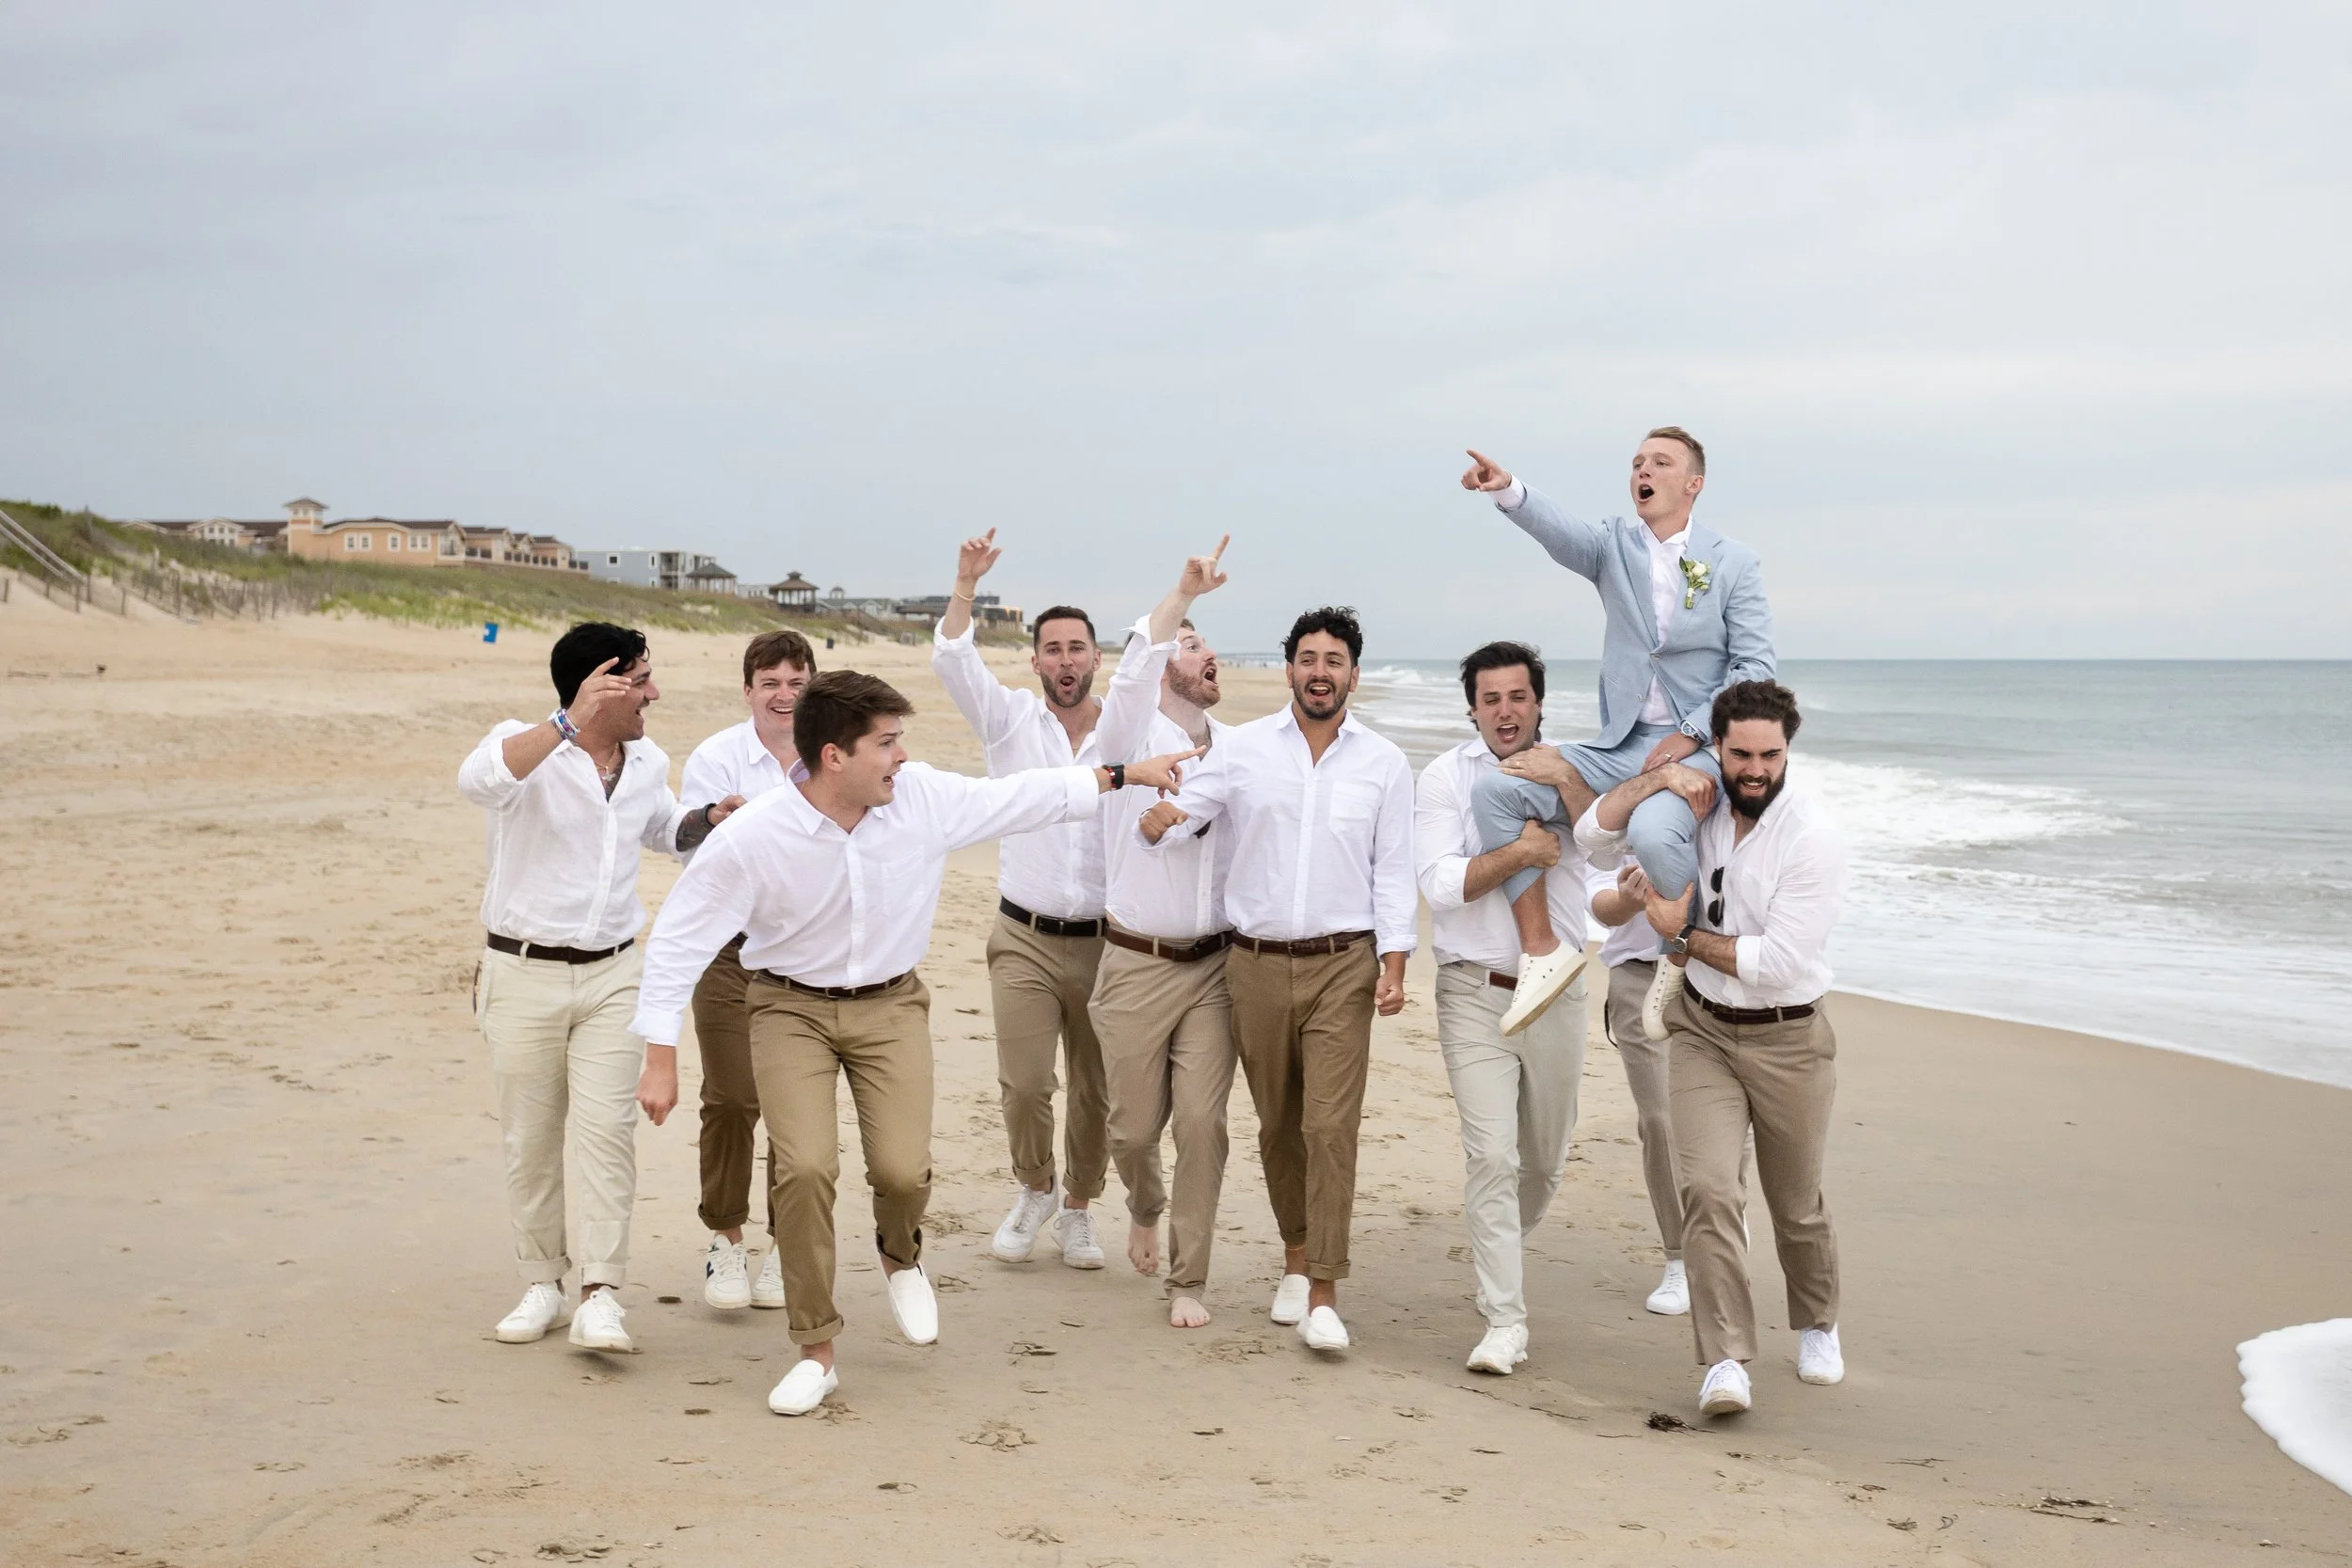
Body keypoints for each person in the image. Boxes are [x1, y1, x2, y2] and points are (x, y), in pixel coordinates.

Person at [629, 671, 1200, 1417]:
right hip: (788, 1008)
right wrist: (660, 1051)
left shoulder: (922, 798)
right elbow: (679, 936)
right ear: (834, 756)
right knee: (803, 1169)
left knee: (900, 1172)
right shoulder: (756, 834)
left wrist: (1123, 773)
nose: (902, 756)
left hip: (890, 1006)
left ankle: (902, 1256)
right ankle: (816, 1347)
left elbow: (1025, 796)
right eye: (887, 743)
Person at [456, 623, 744, 1354]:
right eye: (642, 679)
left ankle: (601, 1293)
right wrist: (566, 720)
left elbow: (659, 830)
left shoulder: (647, 761)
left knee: (608, 1135)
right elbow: (477, 780)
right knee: (530, 1137)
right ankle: (541, 1283)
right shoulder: (521, 749)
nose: (655, 693)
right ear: (604, 684)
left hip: (615, 972)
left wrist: (705, 821)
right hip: (521, 969)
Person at [1140, 606, 1415, 1354]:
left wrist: (1394, 962)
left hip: (1343, 964)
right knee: (1279, 1126)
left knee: (1330, 1125)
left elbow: (1392, 871)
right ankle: (1295, 1257)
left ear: (1353, 674)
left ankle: (1324, 1289)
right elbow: (1188, 810)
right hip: (1253, 962)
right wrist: (1160, 819)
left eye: (1334, 660)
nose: (1320, 671)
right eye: (1307, 658)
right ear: (1289, 666)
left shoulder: (1384, 763)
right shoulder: (1244, 750)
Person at [1573, 679, 1849, 1418]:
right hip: (1701, 1030)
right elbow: (1593, 838)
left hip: (1791, 1037)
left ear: (1788, 749)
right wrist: (1662, 775)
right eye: (1742, 754)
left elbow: (1780, 962)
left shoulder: (1812, 835)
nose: (1756, 768)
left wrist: (1679, 932)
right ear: (1717, 747)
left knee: (1796, 1206)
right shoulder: (1691, 811)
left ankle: (1818, 1321)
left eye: (1772, 754)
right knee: (1709, 1189)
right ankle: (1725, 1358)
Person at [1457, 431, 1774, 1041]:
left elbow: (1755, 668)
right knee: (1499, 789)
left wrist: (1690, 733)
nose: (1643, 471)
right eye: (1636, 463)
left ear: (1693, 483)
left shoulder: (1734, 562)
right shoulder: (1612, 547)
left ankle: (1677, 958)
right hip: (1623, 741)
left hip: (1702, 746)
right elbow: (1563, 533)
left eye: (1660, 462)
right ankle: (1543, 949)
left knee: (1656, 830)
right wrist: (1509, 492)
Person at [932, 531, 1114, 1271]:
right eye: (1053, 649)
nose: (1065, 661)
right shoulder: (1008, 720)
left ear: (1096, 657)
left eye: (1077, 648)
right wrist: (966, 585)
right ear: (1035, 659)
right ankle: (1035, 1186)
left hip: (1110, 941)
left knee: (1098, 1093)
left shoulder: (1127, 727)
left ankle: (1078, 1210)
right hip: (1024, 935)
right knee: (1026, 1083)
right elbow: (951, 660)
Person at [1411, 641, 1590, 1375]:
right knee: (1491, 1155)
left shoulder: (1572, 772)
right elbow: (1442, 883)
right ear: (1473, 709)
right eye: (1491, 700)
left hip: (1558, 994)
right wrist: (1521, 853)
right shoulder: (1446, 778)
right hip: (1472, 991)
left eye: (1518, 697)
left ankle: (1498, 1246)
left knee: (1540, 1166)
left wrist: (1574, 796)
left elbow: (1610, 851)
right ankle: (1504, 1320)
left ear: (1539, 703)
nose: (1505, 712)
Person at [1090, 539, 1239, 1329]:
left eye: (1208, 643)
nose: (1207, 652)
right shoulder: (1124, 736)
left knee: (1204, 1123)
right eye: (1191, 644)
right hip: (1134, 963)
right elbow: (1132, 670)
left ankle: (1189, 1278)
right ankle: (1143, 1202)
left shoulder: (1237, 749)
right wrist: (1179, 599)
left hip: (1214, 967)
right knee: (1133, 1127)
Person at [675, 629, 818, 1313]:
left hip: (804, 951)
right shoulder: (716, 757)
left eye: (796, 680)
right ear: (748, 690)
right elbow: (694, 854)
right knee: (732, 1097)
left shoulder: (833, 751)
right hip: (727, 951)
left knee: (794, 1111)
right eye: (770, 682)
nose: (784, 694)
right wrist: (719, 823)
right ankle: (726, 1237)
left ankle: (784, 1244)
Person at [1584, 850, 1753, 1318]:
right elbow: (1598, 901)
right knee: (1660, 1121)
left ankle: (1727, 1217)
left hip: (1717, 974)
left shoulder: (1726, 796)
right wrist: (1629, 899)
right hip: (1638, 976)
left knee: (1722, 1120)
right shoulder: (1624, 799)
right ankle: (1680, 1258)